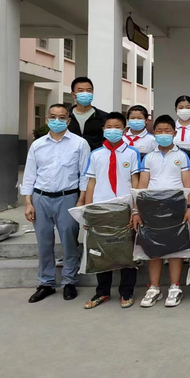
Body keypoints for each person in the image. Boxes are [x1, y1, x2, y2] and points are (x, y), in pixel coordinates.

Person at [20, 104, 90, 303]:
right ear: (47, 119)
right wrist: (28, 202)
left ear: (68, 120)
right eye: (53, 117)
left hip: (68, 197)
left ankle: (69, 281)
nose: (56, 121)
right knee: (44, 242)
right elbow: (30, 174)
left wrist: (81, 200)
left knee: (69, 241)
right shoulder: (38, 145)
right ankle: (46, 282)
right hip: (40, 198)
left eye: (61, 117)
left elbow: (84, 175)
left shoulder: (79, 144)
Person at [82, 112, 141, 310]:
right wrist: (88, 210)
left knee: (127, 251)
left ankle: (126, 292)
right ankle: (102, 292)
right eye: (109, 127)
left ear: (124, 130)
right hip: (101, 208)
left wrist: (135, 209)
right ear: (103, 129)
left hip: (124, 208)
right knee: (101, 251)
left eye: (117, 127)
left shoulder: (132, 153)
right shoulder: (96, 154)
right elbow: (91, 182)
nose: (112, 130)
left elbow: (135, 182)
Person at [135, 115, 190, 308]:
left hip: (176, 207)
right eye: (159, 131)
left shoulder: (181, 156)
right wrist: (137, 210)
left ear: (174, 133)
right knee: (154, 249)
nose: (163, 134)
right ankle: (154, 288)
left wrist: (189, 207)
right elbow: (142, 185)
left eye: (167, 131)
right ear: (154, 133)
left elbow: (188, 184)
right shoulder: (149, 157)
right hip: (152, 208)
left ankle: (175, 287)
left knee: (176, 249)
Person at [67, 77, 109, 151]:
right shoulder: (66, 117)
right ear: (73, 94)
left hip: (95, 156)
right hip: (71, 156)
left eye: (89, 90)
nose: (85, 93)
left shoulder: (104, 117)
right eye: (81, 90)